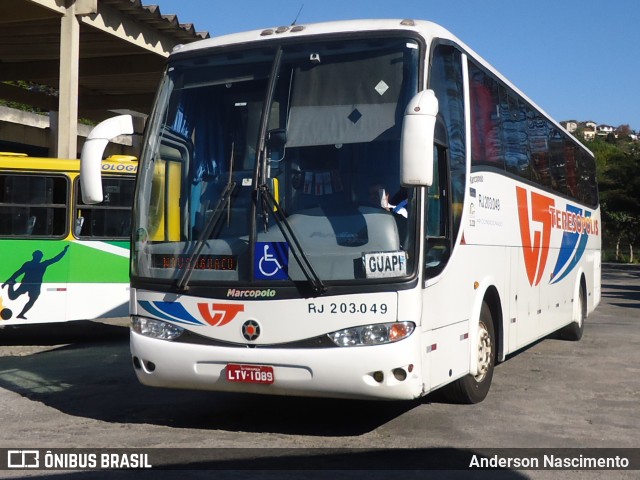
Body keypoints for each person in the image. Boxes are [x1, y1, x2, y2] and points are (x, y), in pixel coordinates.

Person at [1, 246, 69, 319]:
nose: (39, 258)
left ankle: (21, 314)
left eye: (40, 256)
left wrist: (64, 251)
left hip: (34, 286)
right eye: (38, 256)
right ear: (34, 256)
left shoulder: (41, 264)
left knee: (32, 299)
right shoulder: (33, 264)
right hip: (27, 284)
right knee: (13, 297)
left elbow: (55, 259)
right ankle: (11, 285)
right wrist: (8, 281)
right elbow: (18, 273)